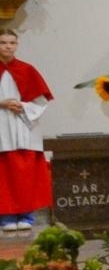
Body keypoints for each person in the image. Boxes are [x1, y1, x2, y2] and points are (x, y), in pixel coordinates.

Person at [0, 29, 52, 230]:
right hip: (2, 125)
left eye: (11, 43)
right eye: (3, 42)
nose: (7, 46)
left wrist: (23, 106)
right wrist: (2, 103)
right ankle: (5, 217)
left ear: (17, 45)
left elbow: (41, 101)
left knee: (26, 173)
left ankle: (26, 215)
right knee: (4, 174)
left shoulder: (27, 70)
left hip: (23, 125)